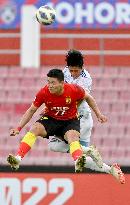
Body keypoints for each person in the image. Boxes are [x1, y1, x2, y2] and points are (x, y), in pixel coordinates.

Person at [7, 68, 107, 173]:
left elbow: (88, 98)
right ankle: (18, 158)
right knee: (35, 128)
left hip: (70, 121)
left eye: (53, 83)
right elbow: (31, 110)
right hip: (51, 119)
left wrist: (98, 114)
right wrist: (18, 128)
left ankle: (78, 160)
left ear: (62, 83)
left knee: (72, 137)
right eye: (48, 82)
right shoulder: (44, 92)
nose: (50, 85)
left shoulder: (73, 90)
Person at [48, 50, 125, 184]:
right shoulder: (64, 72)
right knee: (80, 160)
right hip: (73, 119)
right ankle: (111, 169)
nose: (73, 73)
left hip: (80, 119)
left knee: (54, 145)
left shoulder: (86, 79)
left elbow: (80, 101)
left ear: (82, 67)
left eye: (76, 71)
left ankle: (89, 150)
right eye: (71, 70)